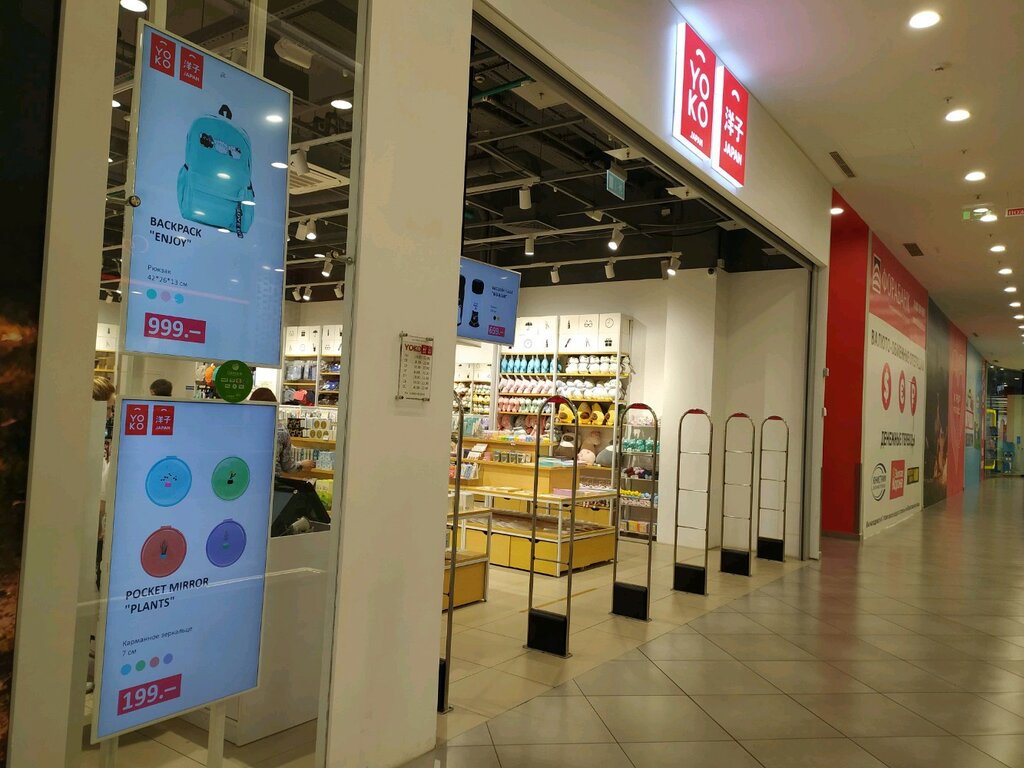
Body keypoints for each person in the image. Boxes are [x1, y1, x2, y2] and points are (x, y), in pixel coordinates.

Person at [248, 387, 316, 474]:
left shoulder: (244, 427)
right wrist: (302, 464)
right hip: (271, 479)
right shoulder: (280, 430)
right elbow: (288, 466)